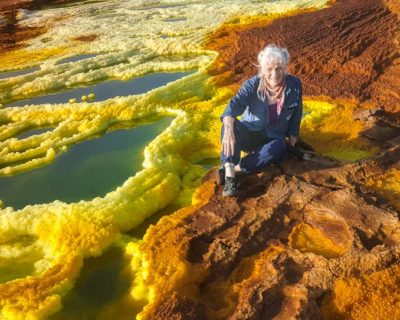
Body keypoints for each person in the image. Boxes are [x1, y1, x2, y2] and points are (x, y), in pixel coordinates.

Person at [219, 44, 303, 197]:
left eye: (278, 68)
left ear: (285, 68)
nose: (274, 74)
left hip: (272, 138)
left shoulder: (294, 85)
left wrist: (292, 144)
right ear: (262, 69)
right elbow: (232, 107)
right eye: (269, 69)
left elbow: (297, 115)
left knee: (279, 147)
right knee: (228, 126)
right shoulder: (252, 85)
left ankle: (237, 168)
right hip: (250, 133)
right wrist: (229, 130)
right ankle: (230, 177)